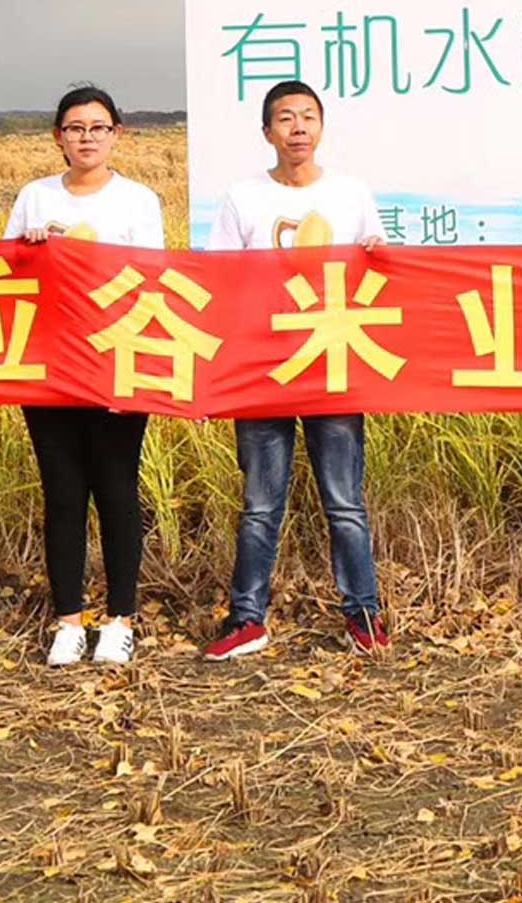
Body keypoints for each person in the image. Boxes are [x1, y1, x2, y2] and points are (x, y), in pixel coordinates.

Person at [201, 80, 391, 660]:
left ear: (322, 127)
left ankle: (363, 615)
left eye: (309, 116)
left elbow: (379, 270)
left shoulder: (351, 193)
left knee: (345, 502)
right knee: (261, 504)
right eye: (286, 118)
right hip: (264, 367)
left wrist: (379, 251)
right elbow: (221, 283)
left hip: (333, 364)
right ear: (267, 132)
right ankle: (247, 619)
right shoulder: (243, 197)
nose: (299, 127)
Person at [4, 86, 166, 667]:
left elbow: (152, 281)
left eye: (98, 128)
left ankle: (120, 618)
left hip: (116, 362)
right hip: (49, 363)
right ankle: (68, 620)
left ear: (117, 134)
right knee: (63, 494)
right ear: (58, 137)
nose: (87, 138)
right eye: (75, 128)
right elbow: (7, 275)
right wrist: (28, 249)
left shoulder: (138, 201)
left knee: (118, 490)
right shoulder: (35, 196)